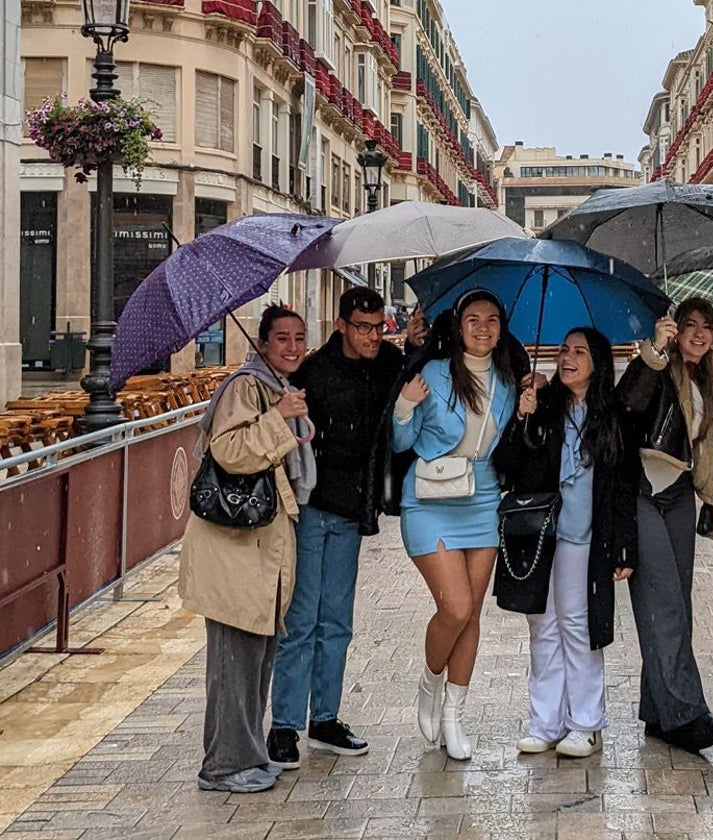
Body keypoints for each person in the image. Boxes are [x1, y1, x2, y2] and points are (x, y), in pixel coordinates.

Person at [267, 288, 418, 770]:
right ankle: (285, 725)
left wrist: (414, 347)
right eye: (363, 327)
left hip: (355, 508)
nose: (373, 336)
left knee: (338, 620)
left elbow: (411, 389)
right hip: (313, 507)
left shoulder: (389, 362)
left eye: (378, 327)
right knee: (301, 620)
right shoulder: (313, 373)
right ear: (341, 326)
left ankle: (325, 717)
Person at [179, 305, 315, 793]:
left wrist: (288, 417)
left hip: (260, 547)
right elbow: (230, 452)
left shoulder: (274, 387)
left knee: (256, 657)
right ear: (262, 344)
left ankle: (246, 755)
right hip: (235, 548)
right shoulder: (246, 387)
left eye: (300, 337)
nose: (293, 347)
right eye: (282, 338)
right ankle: (224, 765)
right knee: (234, 662)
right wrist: (279, 418)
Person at [392, 288, 526, 761]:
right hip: (429, 499)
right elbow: (400, 440)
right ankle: (430, 682)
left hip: (484, 499)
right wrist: (405, 406)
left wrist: (528, 414)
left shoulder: (509, 381)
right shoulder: (433, 373)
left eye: (492, 320)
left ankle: (454, 716)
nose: (483, 328)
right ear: (458, 325)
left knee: (472, 614)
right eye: (473, 319)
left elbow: (511, 448)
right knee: (455, 607)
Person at [494, 327, 640, 758]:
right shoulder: (543, 406)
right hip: (541, 534)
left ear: (597, 362)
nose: (568, 358)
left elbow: (624, 485)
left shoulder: (612, 414)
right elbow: (508, 467)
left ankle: (585, 723)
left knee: (578, 626)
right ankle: (545, 721)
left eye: (579, 351)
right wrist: (523, 417)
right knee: (542, 625)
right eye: (564, 350)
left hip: (585, 539)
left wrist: (623, 546)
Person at [616, 297, 713, 754]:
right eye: (690, 324)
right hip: (644, 489)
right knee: (663, 602)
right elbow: (627, 405)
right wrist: (654, 351)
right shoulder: (657, 365)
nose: (700, 333)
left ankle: (658, 712)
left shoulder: (706, 377)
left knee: (676, 606)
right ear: (675, 328)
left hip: (681, 494)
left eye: (708, 326)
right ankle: (687, 714)